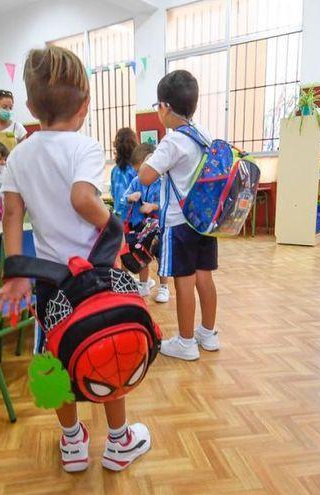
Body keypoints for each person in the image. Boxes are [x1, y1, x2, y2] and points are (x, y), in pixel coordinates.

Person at [0, 45, 151, 473]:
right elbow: (83, 198)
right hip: (97, 276)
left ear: (28, 107)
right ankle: (119, 442)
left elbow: (11, 213)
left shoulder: (19, 154)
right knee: (110, 343)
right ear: (85, 105)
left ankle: (72, 444)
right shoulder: (84, 147)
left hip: (49, 281)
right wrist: (113, 224)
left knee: (51, 358)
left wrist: (16, 272)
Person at [138, 70, 219, 362]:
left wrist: (150, 157)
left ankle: (185, 343)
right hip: (205, 221)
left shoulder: (172, 142)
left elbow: (145, 176)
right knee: (204, 278)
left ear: (167, 107)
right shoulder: (204, 135)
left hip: (179, 222)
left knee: (183, 281)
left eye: (157, 106)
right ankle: (207, 334)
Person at [121, 143, 170, 302]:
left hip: (158, 228)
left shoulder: (163, 181)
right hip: (139, 227)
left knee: (161, 257)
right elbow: (124, 198)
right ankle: (143, 285)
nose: (140, 174)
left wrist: (153, 206)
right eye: (137, 171)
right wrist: (130, 197)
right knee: (142, 254)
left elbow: (167, 204)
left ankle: (164, 287)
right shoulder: (136, 182)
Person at [110, 127, 138, 222]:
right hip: (134, 220)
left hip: (119, 218)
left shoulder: (114, 170)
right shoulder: (137, 170)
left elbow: (114, 195)